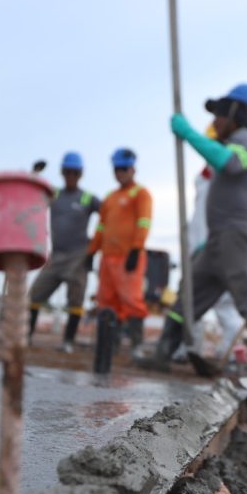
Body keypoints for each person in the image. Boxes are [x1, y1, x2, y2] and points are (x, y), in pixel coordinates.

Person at [148, 83, 247, 384]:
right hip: (218, 239)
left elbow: (232, 163)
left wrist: (188, 134)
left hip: (237, 237)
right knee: (188, 298)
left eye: (221, 114)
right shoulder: (232, 139)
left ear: (240, 113)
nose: (215, 122)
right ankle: (163, 353)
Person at [172, 136, 245, 364]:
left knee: (220, 302)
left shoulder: (224, 174)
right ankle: (189, 347)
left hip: (215, 244)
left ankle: (231, 351)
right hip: (199, 245)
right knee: (193, 302)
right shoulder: (206, 176)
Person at [27, 152, 100, 353]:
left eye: (74, 172)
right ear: (62, 172)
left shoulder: (88, 199)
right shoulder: (54, 195)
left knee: (75, 300)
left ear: (80, 174)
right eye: (67, 172)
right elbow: (32, 196)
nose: (70, 176)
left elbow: (109, 215)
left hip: (78, 256)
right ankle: (26, 337)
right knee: (34, 295)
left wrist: (95, 246)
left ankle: (68, 342)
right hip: (56, 255)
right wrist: (34, 174)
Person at [87, 148, 152, 357]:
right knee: (106, 301)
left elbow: (144, 222)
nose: (120, 173)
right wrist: (91, 252)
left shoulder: (140, 194)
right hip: (107, 258)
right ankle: (109, 346)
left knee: (132, 301)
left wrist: (136, 248)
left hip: (128, 256)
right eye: (116, 169)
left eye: (123, 169)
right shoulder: (110, 197)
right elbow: (101, 227)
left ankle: (137, 346)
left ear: (133, 169)